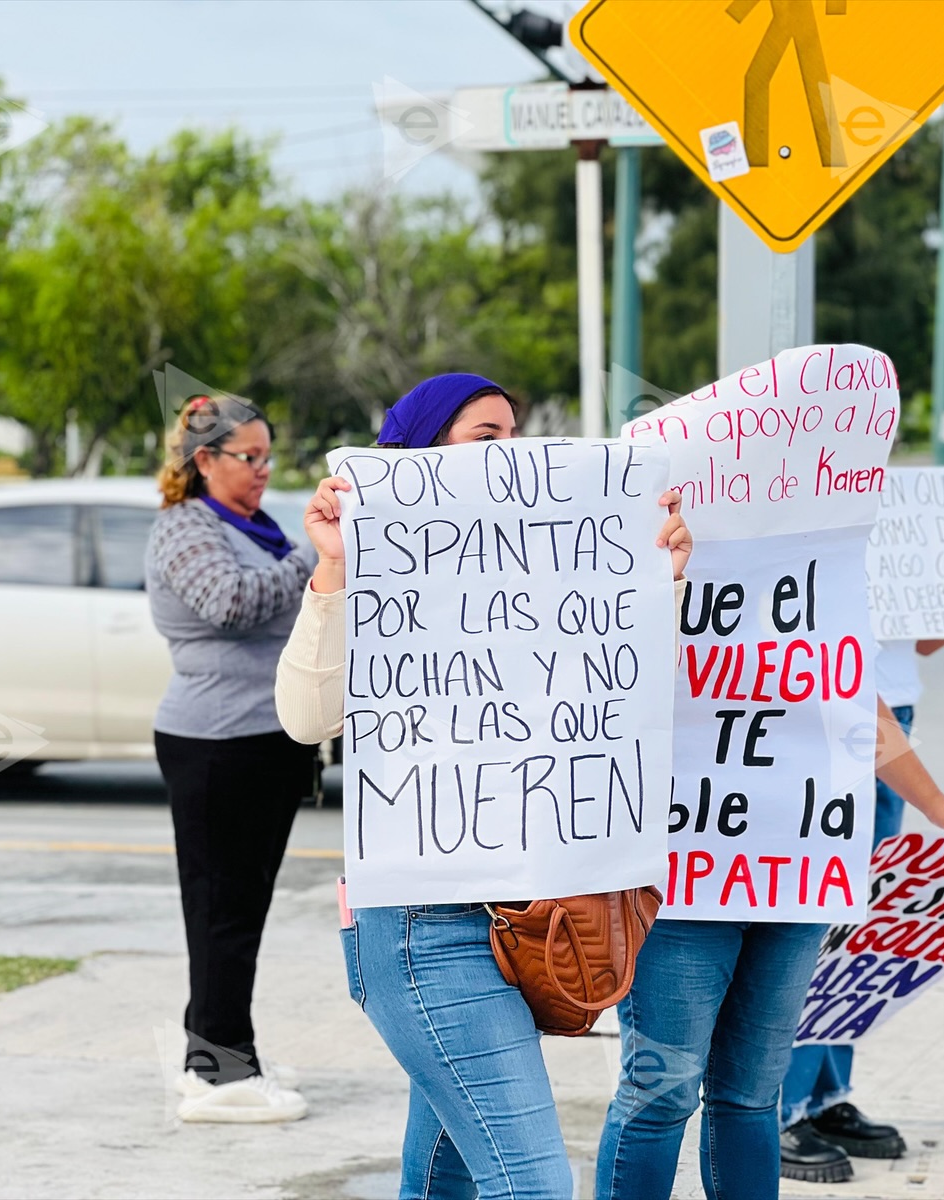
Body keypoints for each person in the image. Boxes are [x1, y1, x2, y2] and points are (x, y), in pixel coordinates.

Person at [274, 373, 693, 1200]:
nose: (511, 455)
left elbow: (620, 705)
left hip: (532, 912)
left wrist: (656, 588)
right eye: (485, 438)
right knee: (532, 1182)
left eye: (517, 435)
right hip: (424, 926)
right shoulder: (371, 569)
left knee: (442, 1177)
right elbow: (306, 718)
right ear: (419, 459)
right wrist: (335, 572)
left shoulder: (554, 568)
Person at [595, 709, 944, 1198]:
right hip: (681, 886)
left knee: (753, 1095)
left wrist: (934, 802)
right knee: (660, 1095)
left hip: (796, 882)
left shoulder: (825, 630)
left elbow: (855, 694)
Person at [779, 511, 944, 1181]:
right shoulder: (803, 504)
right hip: (831, 715)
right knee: (820, 914)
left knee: (856, 921)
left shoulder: (904, 510)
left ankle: (824, 1094)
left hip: (893, 716)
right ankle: (781, 1107)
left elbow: (923, 642)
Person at [147, 393, 319, 1123]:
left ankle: (222, 1049)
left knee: (240, 910)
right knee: (221, 913)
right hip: (215, 743)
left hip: (262, 738)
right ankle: (216, 1078)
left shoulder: (251, 523)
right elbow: (231, 603)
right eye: (248, 457)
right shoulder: (185, 528)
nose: (262, 469)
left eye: (267, 456)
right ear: (204, 460)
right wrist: (316, 558)